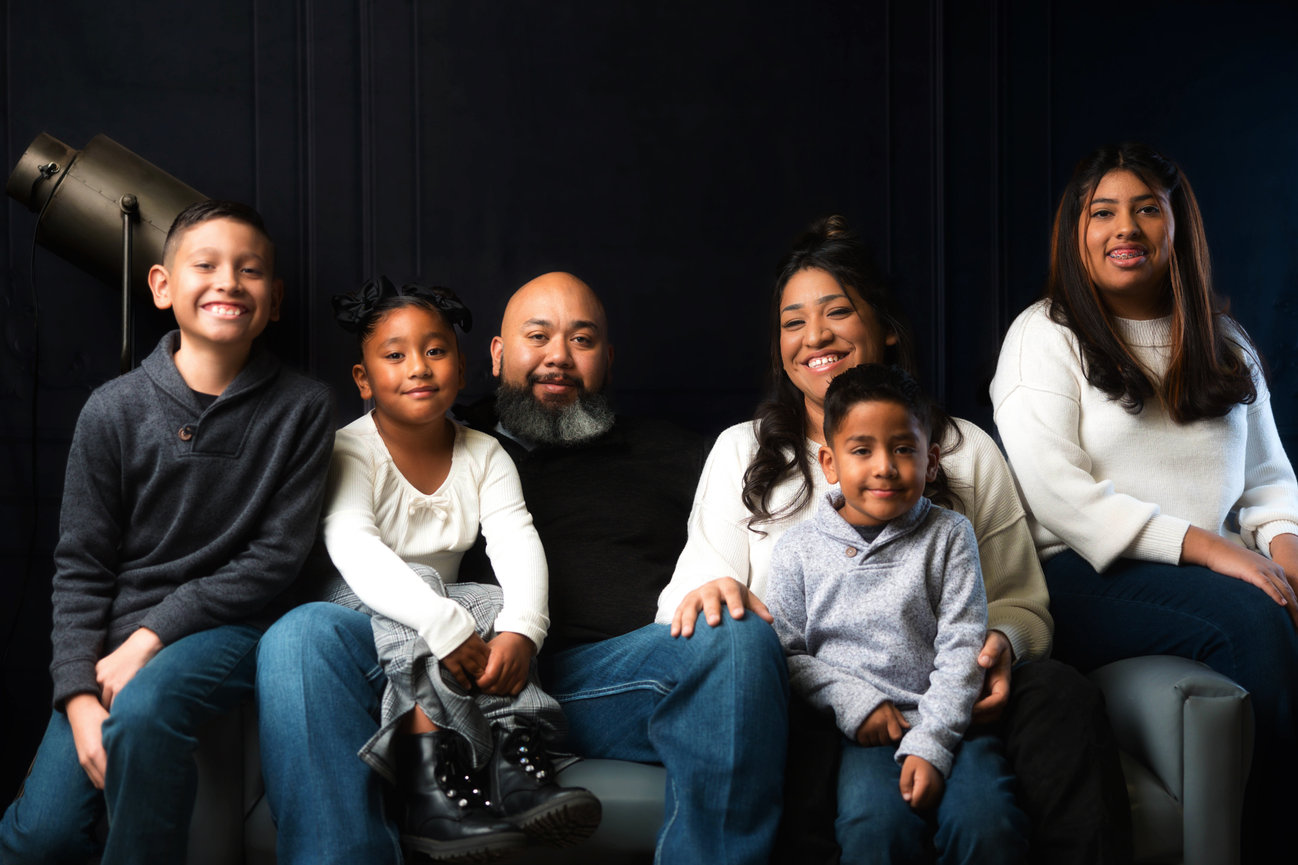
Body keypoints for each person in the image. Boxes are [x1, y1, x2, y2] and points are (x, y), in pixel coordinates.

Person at [658, 215, 1131, 865]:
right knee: (846, 790)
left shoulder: (964, 451)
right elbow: (686, 603)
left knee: (1059, 693)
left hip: (948, 686)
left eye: (837, 312)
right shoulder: (743, 452)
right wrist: (715, 594)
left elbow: (1025, 607)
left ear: (884, 327)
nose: (815, 336)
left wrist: (997, 645)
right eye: (794, 321)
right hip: (810, 698)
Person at [990, 141, 1298, 863]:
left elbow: (1270, 483)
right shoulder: (1045, 335)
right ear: (1077, 232)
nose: (1124, 228)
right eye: (1103, 213)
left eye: (1145, 210)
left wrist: (1287, 560)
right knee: (1254, 622)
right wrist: (1214, 549)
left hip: (1214, 573)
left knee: (1274, 601)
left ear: (1175, 228)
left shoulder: (1228, 346)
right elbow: (1058, 492)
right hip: (1083, 577)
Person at [0, 200, 334, 864]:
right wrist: (77, 697)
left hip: (238, 630)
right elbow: (82, 567)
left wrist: (154, 635)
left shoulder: (303, 409)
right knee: (43, 836)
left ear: (275, 299)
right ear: (161, 285)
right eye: (204, 265)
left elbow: (275, 557)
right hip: (112, 645)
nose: (229, 282)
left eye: (251, 270)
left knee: (150, 707)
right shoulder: (114, 410)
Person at [456, 270, 790, 865]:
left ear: (607, 360)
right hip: (501, 686)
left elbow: (773, 530)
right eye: (538, 336)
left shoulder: (674, 451)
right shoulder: (446, 445)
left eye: (581, 341)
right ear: (497, 354)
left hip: (634, 676)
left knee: (736, 634)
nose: (558, 357)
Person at [322, 276, 599, 860]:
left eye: (435, 350)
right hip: (352, 597)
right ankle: (429, 778)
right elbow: (354, 547)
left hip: (444, 599)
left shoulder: (483, 452)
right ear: (364, 379)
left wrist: (525, 629)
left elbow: (516, 540)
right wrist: (443, 624)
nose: (418, 367)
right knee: (425, 586)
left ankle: (516, 762)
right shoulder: (349, 450)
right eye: (394, 356)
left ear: (464, 369)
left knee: (499, 603)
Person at [768, 363, 1027, 864]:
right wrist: (855, 703)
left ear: (931, 462)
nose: (884, 466)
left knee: (987, 823)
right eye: (861, 450)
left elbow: (962, 647)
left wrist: (932, 743)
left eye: (903, 449)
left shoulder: (950, 535)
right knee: (874, 829)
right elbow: (786, 653)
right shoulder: (796, 550)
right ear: (829, 462)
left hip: (951, 722)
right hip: (859, 734)